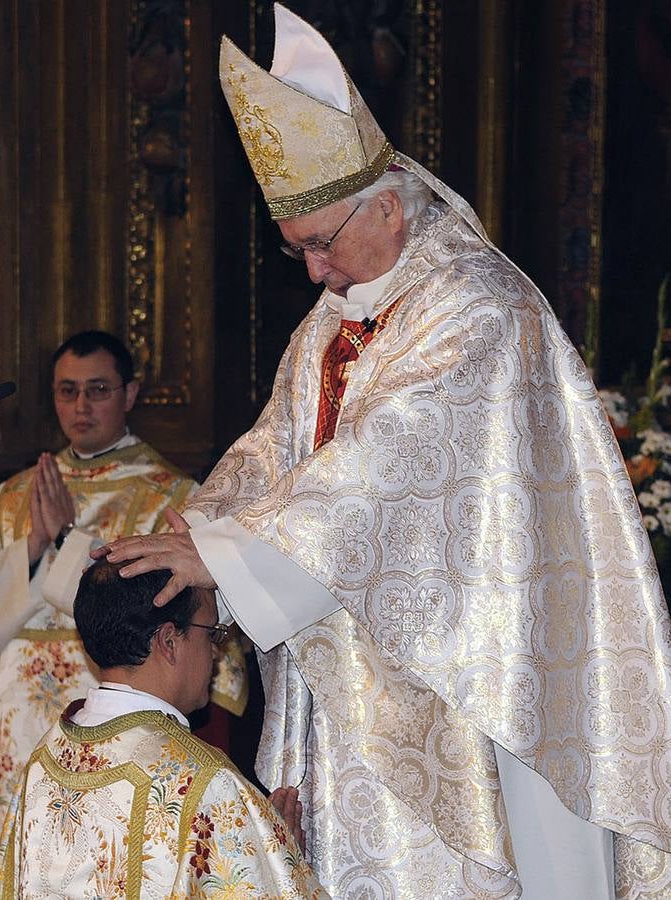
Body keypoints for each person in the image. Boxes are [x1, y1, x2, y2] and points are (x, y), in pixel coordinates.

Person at [97, 5, 671, 898]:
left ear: (391, 208)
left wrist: (221, 552)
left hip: (455, 683)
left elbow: (385, 469)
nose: (313, 273)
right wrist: (197, 530)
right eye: (297, 252)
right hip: (343, 679)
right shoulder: (336, 318)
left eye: (319, 244)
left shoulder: (477, 308)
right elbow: (271, 451)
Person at [0, 330, 244, 898]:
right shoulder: (11, 498)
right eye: (67, 391)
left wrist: (69, 543)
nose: (81, 407)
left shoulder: (172, 500)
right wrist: (34, 545)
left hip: (121, 726)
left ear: (130, 394)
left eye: (98, 390)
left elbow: (197, 641)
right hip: (22, 735)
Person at [0, 559, 326, 899]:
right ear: (168, 641)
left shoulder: (45, 759)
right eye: (211, 633)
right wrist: (279, 862)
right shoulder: (205, 782)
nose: (216, 653)